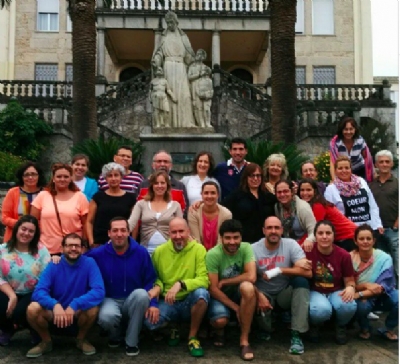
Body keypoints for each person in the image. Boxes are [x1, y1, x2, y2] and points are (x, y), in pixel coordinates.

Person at [86, 217, 158, 356]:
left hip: (133, 300)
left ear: (129, 232)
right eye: (115, 230)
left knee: (142, 294)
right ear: (109, 233)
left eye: (123, 230)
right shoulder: (98, 254)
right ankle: (115, 336)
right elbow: (78, 260)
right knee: (107, 317)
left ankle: (131, 342)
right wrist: (59, 258)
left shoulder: (141, 252)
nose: (119, 234)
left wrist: (153, 303)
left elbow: (150, 280)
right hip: (110, 299)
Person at [26, 233, 105, 358]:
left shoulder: (90, 263)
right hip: (55, 315)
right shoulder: (54, 264)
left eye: (77, 246)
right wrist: (54, 305)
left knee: (93, 308)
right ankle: (46, 341)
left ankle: (81, 339)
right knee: (32, 308)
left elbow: (99, 291)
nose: (73, 248)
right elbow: (39, 291)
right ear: (62, 248)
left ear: (82, 249)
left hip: (78, 313)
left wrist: (75, 304)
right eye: (69, 245)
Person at [145, 218, 209, 357]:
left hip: (188, 300)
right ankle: (174, 328)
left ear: (188, 232)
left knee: (202, 294)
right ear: (169, 234)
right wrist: (158, 287)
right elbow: (155, 278)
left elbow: (204, 279)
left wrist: (181, 284)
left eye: (181, 231)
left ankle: (192, 337)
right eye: (174, 232)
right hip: (168, 301)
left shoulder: (199, 249)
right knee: (150, 323)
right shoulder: (159, 252)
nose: (178, 236)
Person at [252, 217, 311, 355]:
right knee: (247, 290)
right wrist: (259, 295)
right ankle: (264, 326)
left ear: (282, 230)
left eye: (277, 228)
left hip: (284, 293)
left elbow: (307, 272)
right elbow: (247, 278)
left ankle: (296, 334)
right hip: (263, 294)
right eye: (269, 228)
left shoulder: (290, 244)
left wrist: (280, 270)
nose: (273, 231)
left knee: (301, 282)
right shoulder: (253, 248)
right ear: (263, 230)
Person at [206, 219, 257, 361]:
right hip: (220, 296)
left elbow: (251, 276)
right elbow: (214, 289)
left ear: (241, 237)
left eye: (236, 237)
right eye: (227, 238)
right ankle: (218, 329)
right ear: (221, 238)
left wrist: (226, 281)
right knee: (220, 321)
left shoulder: (246, 248)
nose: (232, 242)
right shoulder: (213, 254)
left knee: (248, 287)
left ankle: (244, 340)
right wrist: (236, 308)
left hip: (238, 292)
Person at [0, 215, 50, 346]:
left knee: (21, 312)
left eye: (31, 231)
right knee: (2, 306)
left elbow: (47, 277)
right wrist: (12, 296)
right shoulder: (2, 250)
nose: (26, 233)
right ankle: (7, 329)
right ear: (17, 229)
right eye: (23, 229)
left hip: (33, 292)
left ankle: (34, 329)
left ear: (35, 234)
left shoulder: (41, 251)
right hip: (8, 290)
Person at [306, 221, 357, 345]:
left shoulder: (343, 255)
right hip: (315, 290)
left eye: (328, 233)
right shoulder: (308, 251)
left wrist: (350, 287)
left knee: (349, 305)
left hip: (336, 290)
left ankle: (340, 326)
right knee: (321, 310)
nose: (324, 236)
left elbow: (349, 279)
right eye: (320, 233)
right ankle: (315, 325)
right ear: (315, 236)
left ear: (334, 236)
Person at [350, 224, 398, 341]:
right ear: (355, 241)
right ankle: (365, 328)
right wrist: (364, 288)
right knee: (362, 306)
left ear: (374, 240)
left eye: (368, 239)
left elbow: (381, 287)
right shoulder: (349, 258)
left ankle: (389, 328)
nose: (365, 242)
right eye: (361, 239)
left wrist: (360, 294)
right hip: (361, 296)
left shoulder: (384, 258)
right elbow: (348, 284)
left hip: (383, 295)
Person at [31, 163, 89, 255]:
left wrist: (85, 245)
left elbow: (86, 224)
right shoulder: (43, 196)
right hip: (46, 249)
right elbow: (33, 222)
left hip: (73, 249)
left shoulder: (80, 197)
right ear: (53, 178)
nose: (62, 179)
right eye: (59, 176)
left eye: (66, 177)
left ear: (71, 178)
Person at [151, 11, 196, 128]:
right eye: (168, 23)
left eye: (172, 22)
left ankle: (187, 122)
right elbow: (159, 52)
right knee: (170, 96)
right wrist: (156, 60)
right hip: (168, 67)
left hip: (181, 67)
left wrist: (193, 59)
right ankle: (168, 123)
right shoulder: (164, 36)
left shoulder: (183, 36)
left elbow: (188, 54)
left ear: (176, 22)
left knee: (185, 95)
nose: (170, 25)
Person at [128, 170, 183, 255]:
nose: (159, 186)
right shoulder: (141, 204)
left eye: (162, 183)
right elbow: (130, 224)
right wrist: (120, 232)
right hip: (146, 252)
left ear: (167, 185)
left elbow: (181, 228)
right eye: (156, 183)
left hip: (169, 253)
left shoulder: (175, 205)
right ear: (151, 186)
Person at [324, 156, 383, 233]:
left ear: (351, 169)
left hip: (368, 229)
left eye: (347, 168)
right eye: (340, 168)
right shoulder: (331, 189)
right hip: (347, 232)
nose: (344, 170)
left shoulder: (361, 182)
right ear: (335, 170)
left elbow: (372, 205)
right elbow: (330, 214)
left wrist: (378, 224)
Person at [223, 163, 276, 244]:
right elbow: (220, 208)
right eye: (252, 175)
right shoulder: (236, 195)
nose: (255, 178)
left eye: (258, 175)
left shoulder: (268, 196)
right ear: (246, 177)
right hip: (245, 242)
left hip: (266, 242)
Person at [299, 178, 357, 252]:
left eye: (308, 190)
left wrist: (295, 246)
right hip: (342, 238)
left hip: (348, 237)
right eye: (302, 190)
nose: (305, 193)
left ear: (315, 191)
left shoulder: (318, 205)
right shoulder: (313, 204)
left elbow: (313, 230)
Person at [86, 163, 136, 247]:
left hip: (123, 243)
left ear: (121, 177)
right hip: (100, 243)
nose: (113, 178)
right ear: (105, 178)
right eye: (110, 176)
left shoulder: (130, 198)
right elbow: (89, 221)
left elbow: (134, 223)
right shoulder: (98, 197)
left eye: (116, 175)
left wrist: (133, 242)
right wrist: (91, 242)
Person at [369, 150, 399, 276]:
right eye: (381, 162)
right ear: (376, 164)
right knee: (381, 263)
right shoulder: (370, 185)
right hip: (376, 230)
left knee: (398, 262)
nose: (384, 164)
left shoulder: (397, 183)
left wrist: (397, 222)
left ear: (392, 164)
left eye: (387, 162)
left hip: (394, 229)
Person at [1, 162, 46, 242]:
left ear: (39, 176)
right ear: (21, 177)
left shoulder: (46, 193)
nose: (30, 177)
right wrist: (22, 225)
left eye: (34, 174)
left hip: (40, 239)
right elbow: (4, 218)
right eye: (26, 175)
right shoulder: (13, 192)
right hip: (14, 239)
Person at [136, 150, 189, 216]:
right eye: (159, 161)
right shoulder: (143, 185)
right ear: (153, 165)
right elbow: (137, 209)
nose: (162, 164)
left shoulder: (179, 186)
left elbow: (184, 210)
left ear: (171, 165)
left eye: (166, 162)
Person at [188, 181, 232, 250]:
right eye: (206, 193)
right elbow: (195, 240)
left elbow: (221, 241)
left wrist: (212, 257)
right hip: (198, 252)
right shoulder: (194, 212)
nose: (209, 196)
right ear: (201, 195)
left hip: (219, 254)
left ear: (218, 195)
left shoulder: (226, 214)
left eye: (213, 193)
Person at [274, 179, 316, 252]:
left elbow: (314, 230)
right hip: (286, 247)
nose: (282, 194)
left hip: (304, 247)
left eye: (286, 191)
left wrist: (309, 240)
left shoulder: (303, 207)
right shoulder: (277, 207)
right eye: (279, 192)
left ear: (292, 192)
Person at [329, 116, 374, 182]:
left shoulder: (360, 141)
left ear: (355, 129)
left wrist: (372, 173)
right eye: (345, 129)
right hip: (344, 172)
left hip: (360, 171)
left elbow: (367, 157)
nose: (348, 132)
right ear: (341, 130)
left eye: (351, 129)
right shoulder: (335, 143)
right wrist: (334, 180)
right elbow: (333, 163)